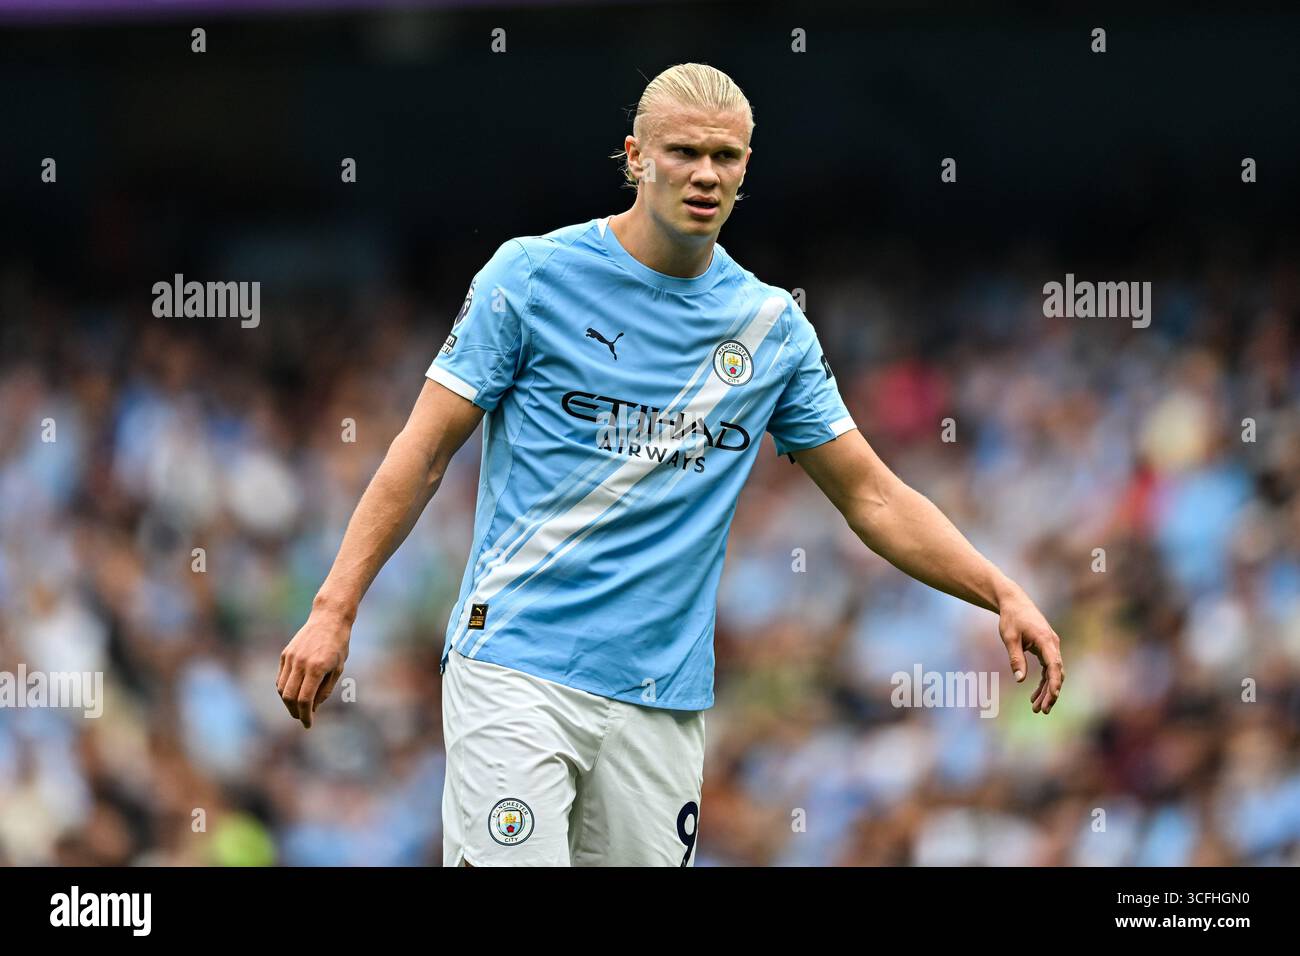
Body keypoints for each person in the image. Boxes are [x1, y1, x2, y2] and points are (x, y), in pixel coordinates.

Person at [276, 62, 1064, 867]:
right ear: (634, 157)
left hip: (660, 700)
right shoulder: (532, 276)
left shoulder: (770, 329)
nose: (705, 174)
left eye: (725, 157)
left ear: (746, 169)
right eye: (683, 152)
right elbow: (425, 451)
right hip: (516, 665)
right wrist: (335, 609)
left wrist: (997, 588)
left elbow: (873, 497)